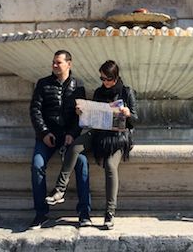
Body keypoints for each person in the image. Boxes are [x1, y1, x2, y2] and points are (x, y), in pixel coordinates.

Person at [46, 59, 137, 230]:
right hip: (98, 132)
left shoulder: (126, 92)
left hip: (117, 137)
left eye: (107, 79)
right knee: (75, 146)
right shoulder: (98, 92)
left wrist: (128, 114)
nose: (104, 82)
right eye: (102, 78)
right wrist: (82, 113)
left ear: (115, 77)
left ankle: (110, 212)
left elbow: (137, 120)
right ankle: (60, 189)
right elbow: (91, 119)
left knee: (110, 166)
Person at [28, 50, 90, 229]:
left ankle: (84, 213)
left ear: (68, 64)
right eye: (53, 62)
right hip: (47, 136)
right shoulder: (43, 84)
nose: (55, 65)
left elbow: (81, 115)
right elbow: (35, 111)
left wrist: (72, 133)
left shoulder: (78, 86)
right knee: (37, 165)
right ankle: (41, 214)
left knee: (82, 163)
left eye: (59, 62)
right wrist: (44, 133)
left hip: (69, 138)